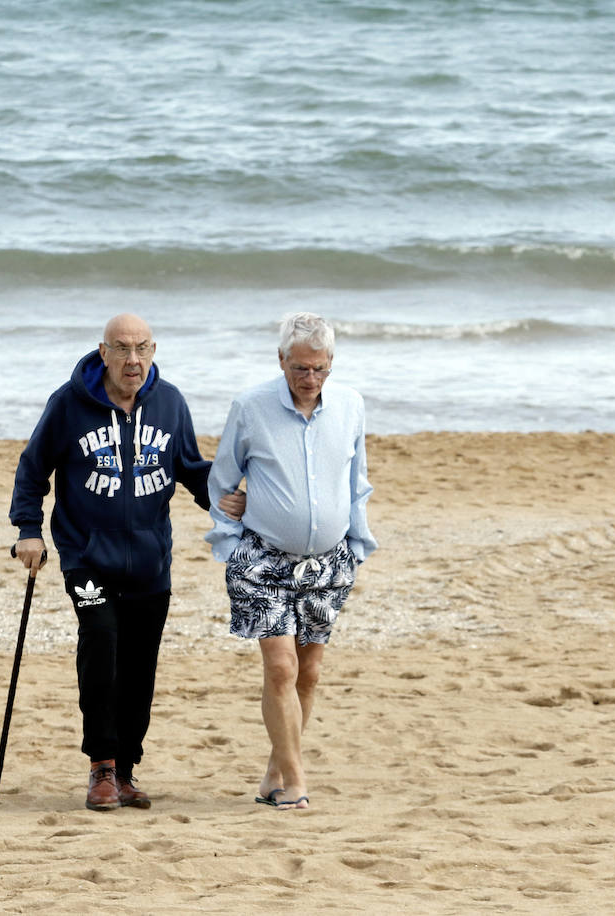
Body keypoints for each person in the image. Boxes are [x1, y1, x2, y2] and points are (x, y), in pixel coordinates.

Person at [9, 313, 243, 811]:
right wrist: (28, 529)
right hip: (86, 555)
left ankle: (128, 770)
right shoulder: (69, 404)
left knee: (140, 666)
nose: (132, 360)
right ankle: (102, 767)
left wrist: (234, 501)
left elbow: (188, 469)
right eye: (121, 348)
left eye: (142, 348)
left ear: (153, 350)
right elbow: (33, 469)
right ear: (103, 352)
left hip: (149, 561)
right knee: (101, 641)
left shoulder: (170, 403)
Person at [205, 312, 378, 811]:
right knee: (280, 668)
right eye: (301, 368)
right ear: (281, 360)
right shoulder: (252, 407)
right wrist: (231, 536)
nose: (310, 380)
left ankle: (274, 775)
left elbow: (357, 482)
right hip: (262, 559)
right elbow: (222, 482)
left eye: (320, 369)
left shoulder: (350, 405)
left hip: (328, 564)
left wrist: (357, 545)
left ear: (331, 365)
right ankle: (297, 782)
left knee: (309, 673)